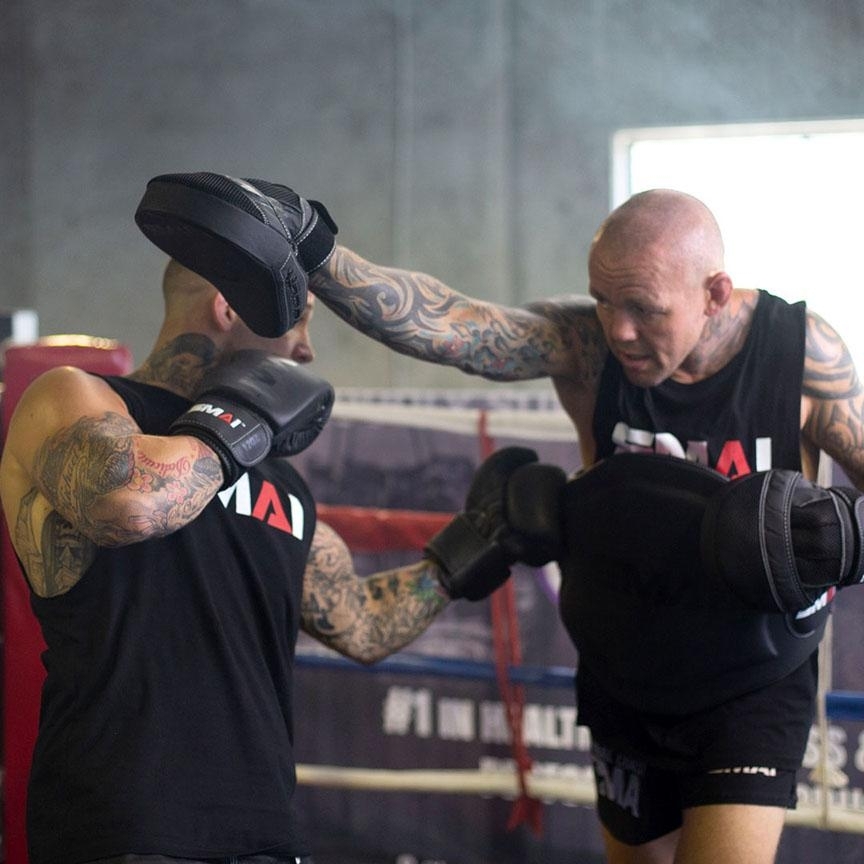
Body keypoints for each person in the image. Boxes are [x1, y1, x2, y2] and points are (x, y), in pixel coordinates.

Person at [0, 175, 565, 864]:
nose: (306, 351)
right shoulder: (77, 397)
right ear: (231, 304)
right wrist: (237, 421)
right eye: (300, 319)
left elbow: (359, 621)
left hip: (264, 833)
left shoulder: (280, 483)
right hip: (122, 827)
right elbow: (131, 501)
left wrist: (475, 545)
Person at [302, 186, 864, 864]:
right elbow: (455, 330)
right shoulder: (590, 346)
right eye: (603, 300)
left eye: (644, 309)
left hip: (754, 679)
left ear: (715, 293)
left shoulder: (799, 354)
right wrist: (313, 252)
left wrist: (848, 539)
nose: (619, 329)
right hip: (625, 664)